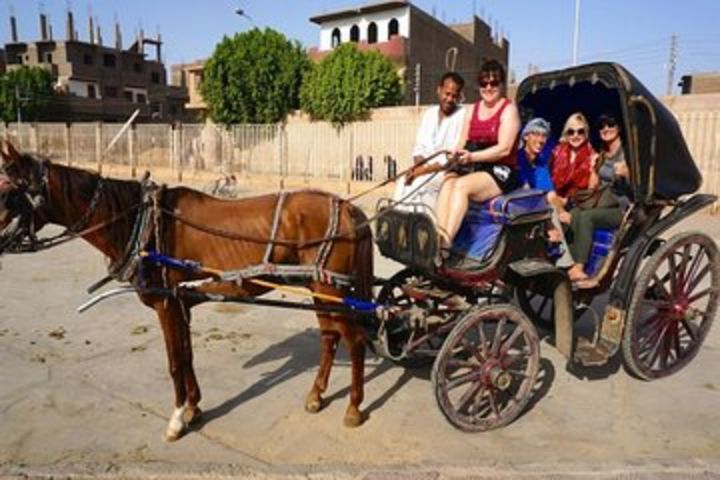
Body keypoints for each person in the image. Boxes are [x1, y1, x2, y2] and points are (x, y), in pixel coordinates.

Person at [435, 60, 521, 248]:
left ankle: (445, 245)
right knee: (448, 182)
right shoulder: (472, 109)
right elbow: (462, 141)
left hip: (500, 169)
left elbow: (504, 148)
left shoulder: (509, 110)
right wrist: (455, 155)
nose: (488, 87)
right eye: (484, 83)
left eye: (494, 83)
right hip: (476, 166)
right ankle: (438, 237)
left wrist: (473, 157)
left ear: (501, 85)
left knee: (461, 186)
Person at [565, 113, 631, 284]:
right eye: (602, 126)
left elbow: (642, 184)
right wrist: (594, 169)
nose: (606, 129)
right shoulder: (602, 152)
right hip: (604, 202)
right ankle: (569, 263)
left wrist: (627, 173)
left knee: (587, 217)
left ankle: (579, 266)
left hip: (623, 208)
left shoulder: (628, 153)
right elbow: (594, 186)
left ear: (619, 128)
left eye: (610, 124)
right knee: (575, 212)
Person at [393, 71, 466, 211]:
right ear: (439, 90)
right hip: (422, 169)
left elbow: (450, 159)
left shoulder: (462, 116)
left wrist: (422, 171)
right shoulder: (429, 114)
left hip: (445, 173)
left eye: (454, 96)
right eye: (447, 93)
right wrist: (416, 168)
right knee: (402, 182)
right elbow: (419, 148)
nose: (450, 99)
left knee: (421, 188)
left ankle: (425, 230)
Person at [548, 112, 596, 224]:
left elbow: (591, 191)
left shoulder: (592, 156)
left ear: (586, 134)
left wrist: (567, 201)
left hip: (579, 202)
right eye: (571, 132)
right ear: (566, 134)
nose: (575, 135)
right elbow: (548, 180)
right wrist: (558, 201)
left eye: (580, 131)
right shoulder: (556, 152)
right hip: (556, 199)